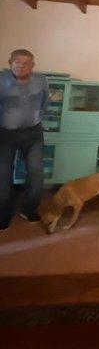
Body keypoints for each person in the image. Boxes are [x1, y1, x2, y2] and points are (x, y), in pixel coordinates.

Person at [0, 49, 49, 230]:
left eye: (26, 63)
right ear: (10, 63)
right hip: (6, 134)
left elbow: (45, 103)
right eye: (17, 62)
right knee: (3, 175)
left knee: (36, 173)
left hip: (33, 133)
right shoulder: (1, 80)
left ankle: (29, 209)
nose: (21, 66)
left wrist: (34, 119)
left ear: (32, 65)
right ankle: (3, 214)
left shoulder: (41, 80)